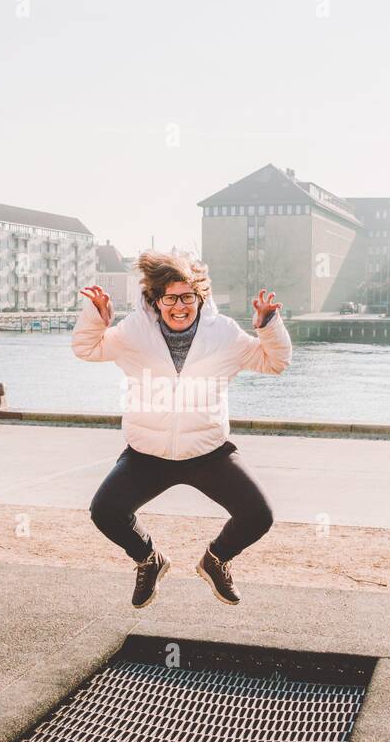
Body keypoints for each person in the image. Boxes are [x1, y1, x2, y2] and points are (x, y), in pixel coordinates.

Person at [73, 250, 292, 608]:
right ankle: (149, 559)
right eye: (170, 297)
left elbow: (275, 362)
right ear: (156, 300)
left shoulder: (223, 334)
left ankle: (216, 560)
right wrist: (97, 318)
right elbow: (87, 348)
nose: (179, 306)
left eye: (187, 297)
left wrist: (269, 326)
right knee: (105, 512)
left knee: (258, 515)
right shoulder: (134, 332)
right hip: (148, 454)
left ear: (199, 299)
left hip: (207, 452)